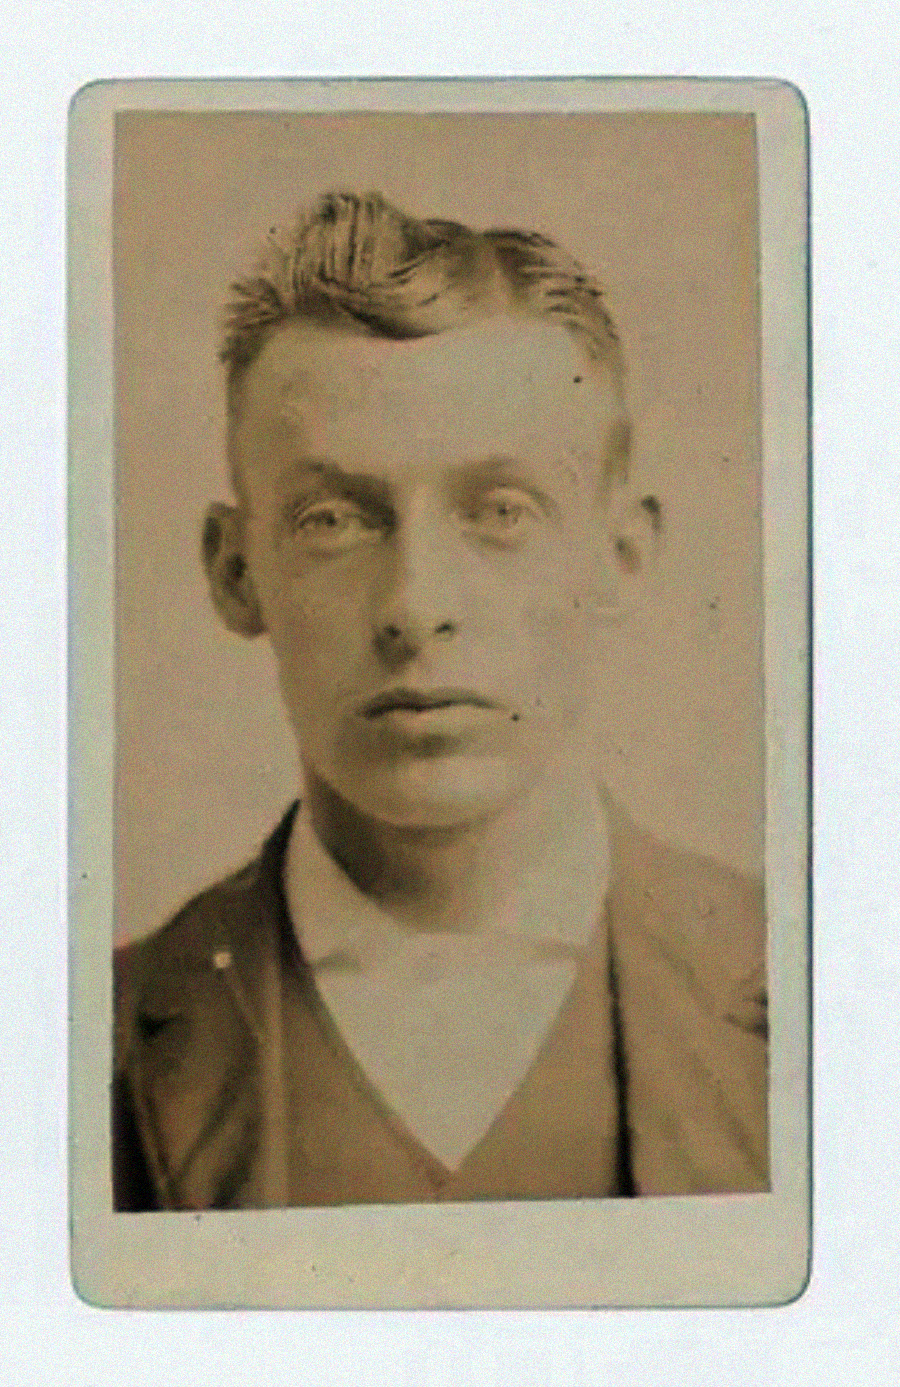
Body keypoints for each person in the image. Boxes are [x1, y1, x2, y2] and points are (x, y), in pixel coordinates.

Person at [112, 191, 768, 1211]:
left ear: (622, 555)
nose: (416, 606)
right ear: (235, 570)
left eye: (501, 510)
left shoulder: (821, 998)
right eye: (333, 518)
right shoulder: (76, 1043)